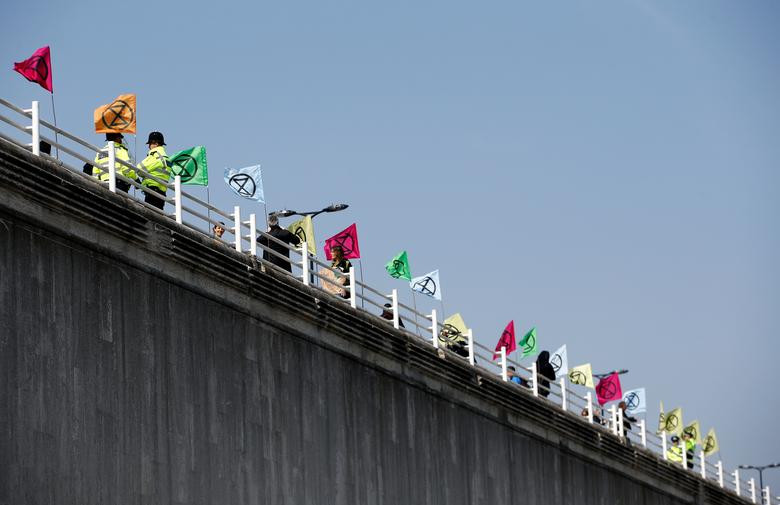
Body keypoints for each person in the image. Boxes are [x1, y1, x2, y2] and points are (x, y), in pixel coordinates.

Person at [137, 131, 170, 209]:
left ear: (155, 143)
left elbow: (139, 169)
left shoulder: (155, 155)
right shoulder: (166, 158)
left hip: (152, 190)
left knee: (149, 216)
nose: (149, 146)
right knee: (157, 217)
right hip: (162, 192)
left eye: (150, 144)